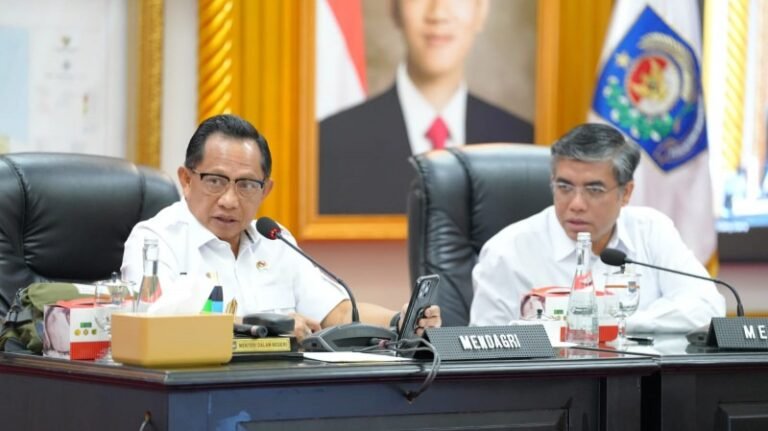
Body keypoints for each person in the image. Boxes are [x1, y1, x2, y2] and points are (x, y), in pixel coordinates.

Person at [121, 114, 441, 341]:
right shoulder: (156, 240)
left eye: (246, 185)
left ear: (266, 190)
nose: (230, 200)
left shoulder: (274, 240)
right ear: (186, 180)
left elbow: (340, 314)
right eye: (215, 181)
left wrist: (401, 321)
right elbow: (152, 327)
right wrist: (260, 326)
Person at [470, 123, 725, 333]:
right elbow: (482, 351)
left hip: (639, 386)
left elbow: (707, 305)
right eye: (564, 187)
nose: (576, 204)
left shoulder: (651, 231)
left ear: (626, 193)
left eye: (594, 189)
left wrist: (613, 325)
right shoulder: (508, 252)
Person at [319, 0, 533, 215]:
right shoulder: (330, 141)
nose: (438, 13)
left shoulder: (525, 144)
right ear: (394, 9)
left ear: (481, 11)